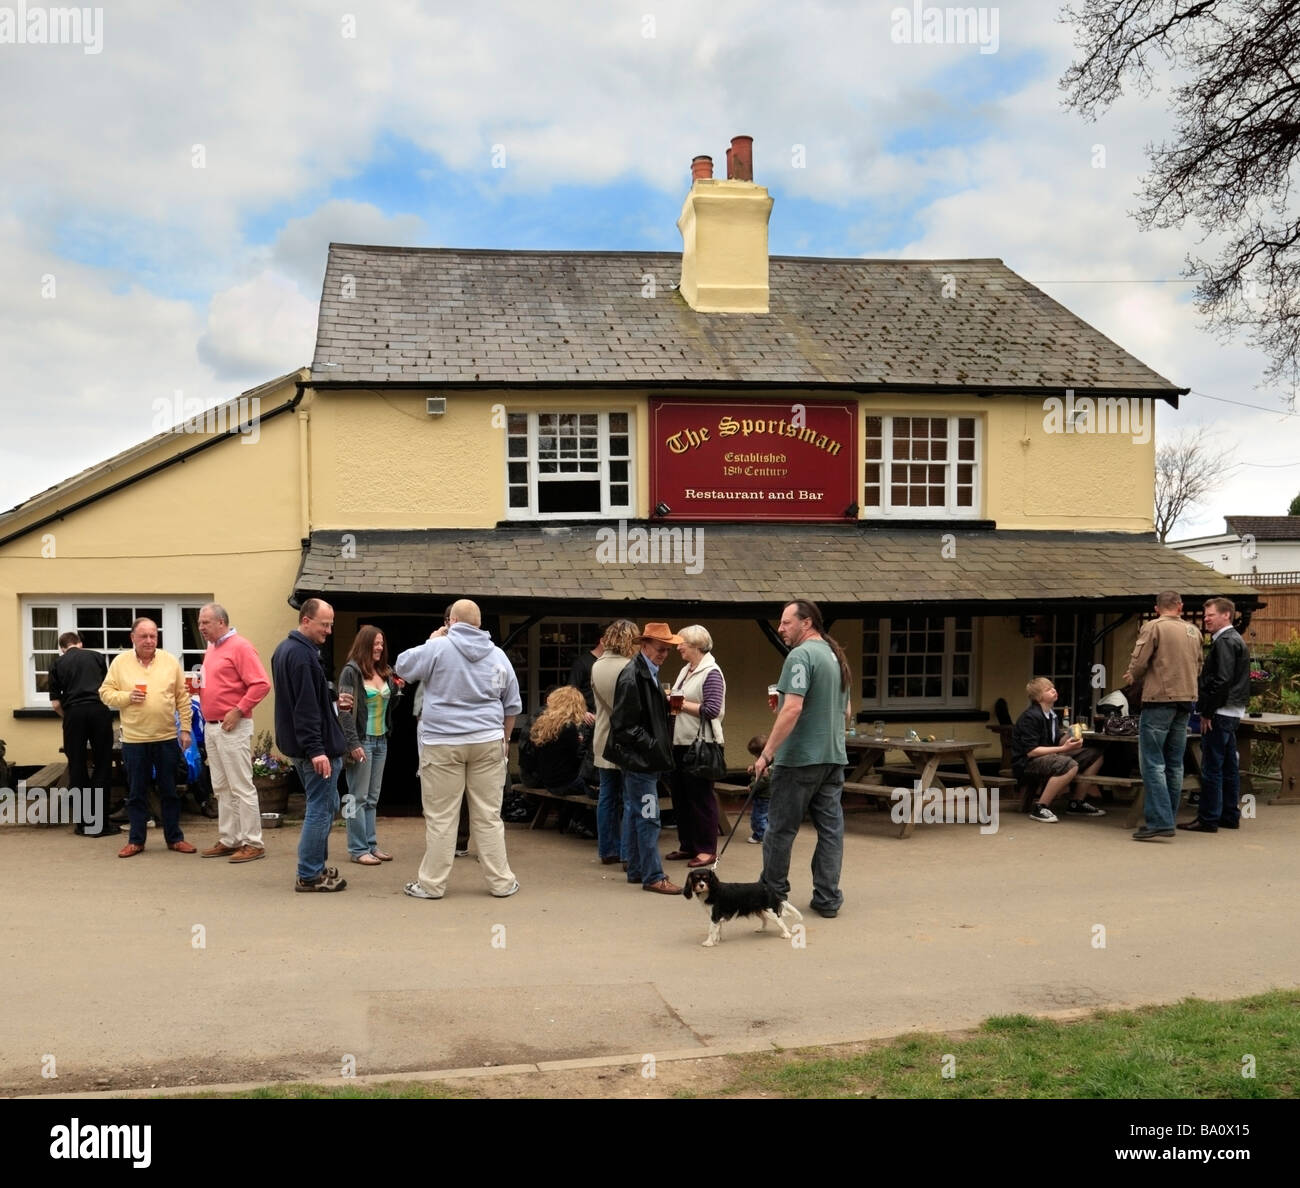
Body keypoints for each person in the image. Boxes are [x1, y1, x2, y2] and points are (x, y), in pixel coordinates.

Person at [395, 599, 522, 900]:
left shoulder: (438, 648)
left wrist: (432, 640)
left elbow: (402, 665)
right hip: (488, 740)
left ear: (451, 621)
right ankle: (501, 882)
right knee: (489, 815)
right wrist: (504, 742)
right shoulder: (498, 655)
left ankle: (432, 884)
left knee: (442, 816)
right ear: (479, 624)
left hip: (443, 742)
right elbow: (512, 703)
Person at [754, 600, 850, 919]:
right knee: (831, 831)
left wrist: (767, 752)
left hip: (798, 759)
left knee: (780, 830)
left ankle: (773, 894)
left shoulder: (800, 655)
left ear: (806, 623)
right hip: (833, 756)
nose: (780, 629)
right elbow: (846, 712)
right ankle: (827, 898)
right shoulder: (836, 656)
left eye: (785, 623)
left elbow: (793, 708)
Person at [99, 618, 194, 857]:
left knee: (170, 791)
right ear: (133, 638)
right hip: (134, 739)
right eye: (144, 636)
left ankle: (174, 838)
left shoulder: (170, 661)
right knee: (136, 792)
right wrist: (128, 697)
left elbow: (183, 698)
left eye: (153, 635)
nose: (149, 641)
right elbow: (105, 693)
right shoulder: (120, 663)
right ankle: (136, 840)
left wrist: (185, 729)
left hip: (166, 737)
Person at [271, 599, 348, 891]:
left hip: (301, 745)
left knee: (325, 806)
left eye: (330, 625)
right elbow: (304, 709)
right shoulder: (302, 656)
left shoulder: (285, 650)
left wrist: (332, 702)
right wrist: (317, 749)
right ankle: (309, 874)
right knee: (320, 808)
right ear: (306, 621)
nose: (328, 631)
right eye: (324, 624)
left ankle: (315, 866)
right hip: (314, 748)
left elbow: (304, 701)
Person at [605, 623, 682, 896]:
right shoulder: (634, 676)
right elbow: (624, 726)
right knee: (649, 817)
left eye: (667, 650)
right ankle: (653, 876)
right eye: (661, 649)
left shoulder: (643, 671)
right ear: (645, 645)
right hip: (642, 761)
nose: (664, 654)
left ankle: (639, 870)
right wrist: (653, 747)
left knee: (640, 814)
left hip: (641, 759)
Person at [1121, 590, 1204, 842]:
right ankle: (1168, 817)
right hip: (1186, 698)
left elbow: (1141, 658)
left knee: (1153, 762)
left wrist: (1132, 674)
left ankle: (1159, 821)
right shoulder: (1194, 631)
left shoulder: (1153, 627)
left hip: (1159, 698)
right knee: (1175, 762)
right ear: (1180, 606)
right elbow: (1200, 664)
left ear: (1157, 609)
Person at [197, 603, 271, 863]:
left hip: (233, 726)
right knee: (221, 786)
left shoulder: (240, 646)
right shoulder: (212, 649)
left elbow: (261, 684)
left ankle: (253, 842)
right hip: (212, 725)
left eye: (205, 622)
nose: (201, 627)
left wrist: (238, 710)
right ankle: (230, 838)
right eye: (199, 623)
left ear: (221, 622)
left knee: (240, 786)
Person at [1184, 596, 1251, 833]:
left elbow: (1221, 680)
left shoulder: (1224, 642)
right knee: (1229, 766)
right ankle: (1229, 815)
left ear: (1226, 615)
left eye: (1211, 615)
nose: (1206, 619)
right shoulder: (1236, 640)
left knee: (1211, 766)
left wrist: (1207, 712)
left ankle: (1208, 818)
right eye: (1206, 615)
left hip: (1220, 710)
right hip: (1233, 710)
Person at [338, 626, 403, 865]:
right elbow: (344, 713)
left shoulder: (384, 671)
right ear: (364, 644)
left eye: (381, 643)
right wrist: (353, 743)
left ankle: (371, 845)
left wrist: (396, 691)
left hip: (381, 740)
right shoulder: (350, 672)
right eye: (375, 643)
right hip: (361, 741)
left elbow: (389, 708)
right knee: (356, 796)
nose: (380, 647)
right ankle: (357, 849)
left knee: (372, 797)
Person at [48, 632, 119, 837]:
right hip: (98, 711)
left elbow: (55, 704)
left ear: (62, 648)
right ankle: (101, 824)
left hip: (73, 714)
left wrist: (68, 717)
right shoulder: (96, 657)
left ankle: (83, 824)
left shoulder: (56, 664)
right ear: (80, 643)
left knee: (77, 767)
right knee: (102, 764)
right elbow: (107, 689)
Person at [666, 625, 726, 867]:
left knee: (701, 798)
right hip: (681, 742)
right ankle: (688, 845)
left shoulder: (711, 672)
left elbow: (712, 709)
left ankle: (706, 849)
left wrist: (677, 703)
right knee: (681, 797)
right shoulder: (687, 669)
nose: (678, 646)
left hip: (701, 744)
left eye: (683, 643)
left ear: (697, 647)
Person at [1010, 677, 1106, 822]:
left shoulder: (1051, 715)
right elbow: (1031, 751)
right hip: (1026, 763)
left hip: (1050, 756)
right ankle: (1041, 807)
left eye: (1053, 687)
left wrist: (1070, 737)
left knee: (1095, 755)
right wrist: (1063, 748)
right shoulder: (1031, 717)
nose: (1054, 690)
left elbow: (1057, 741)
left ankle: (1076, 802)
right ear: (1038, 697)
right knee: (1068, 765)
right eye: (1048, 689)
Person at [591, 619, 640, 866]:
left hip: (602, 737)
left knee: (607, 796)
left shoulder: (597, 665)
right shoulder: (631, 667)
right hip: (626, 739)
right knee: (630, 798)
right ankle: (627, 852)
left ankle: (606, 849)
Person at [567, 634, 604, 726]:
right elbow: (571, 691)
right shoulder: (582, 662)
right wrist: (582, 713)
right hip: (588, 719)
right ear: (602, 641)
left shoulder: (610, 662)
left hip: (606, 719)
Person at [746, 734, 772, 844]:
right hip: (766, 796)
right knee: (765, 817)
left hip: (764, 796)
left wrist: (751, 786)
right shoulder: (770, 762)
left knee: (758, 818)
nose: (756, 759)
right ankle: (759, 835)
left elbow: (764, 781)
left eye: (757, 756)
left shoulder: (769, 768)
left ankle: (764, 836)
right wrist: (753, 769)